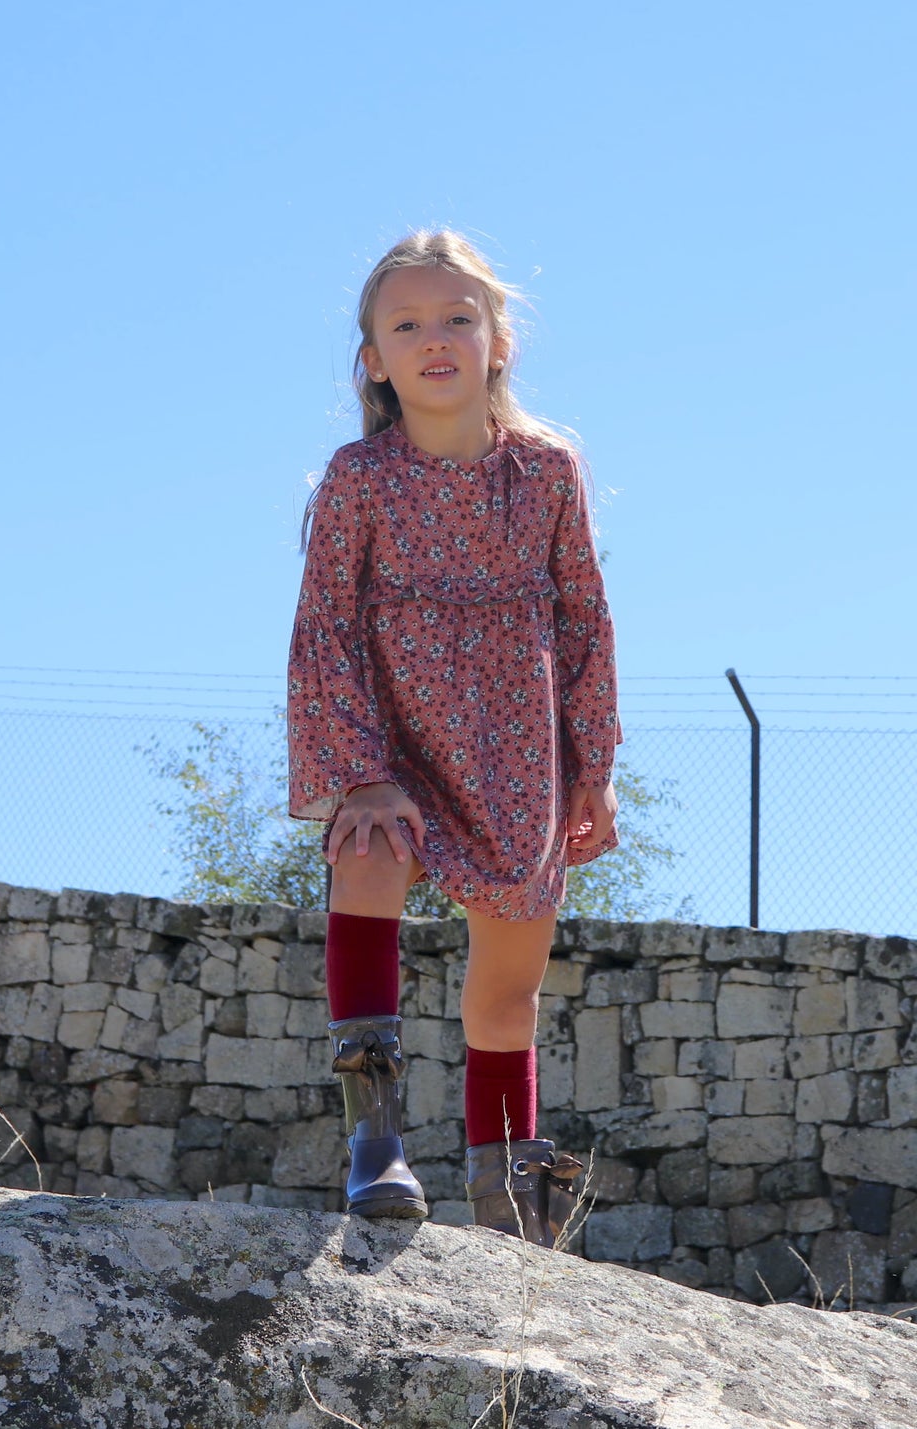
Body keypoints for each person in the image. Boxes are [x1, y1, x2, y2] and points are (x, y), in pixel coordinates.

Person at [287, 230, 621, 1248]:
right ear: (372, 360)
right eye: (405, 325)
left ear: (498, 339)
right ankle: (374, 1143)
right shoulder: (358, 480)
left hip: (517, 742)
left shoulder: (549, 474)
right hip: (390, 731)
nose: (434, 340)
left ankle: (507, 1198)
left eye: (456, 319)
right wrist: (358, 771)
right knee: (370, 851)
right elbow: (326, 629)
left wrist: (591, 766)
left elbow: (582, 621)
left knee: (510, 979)